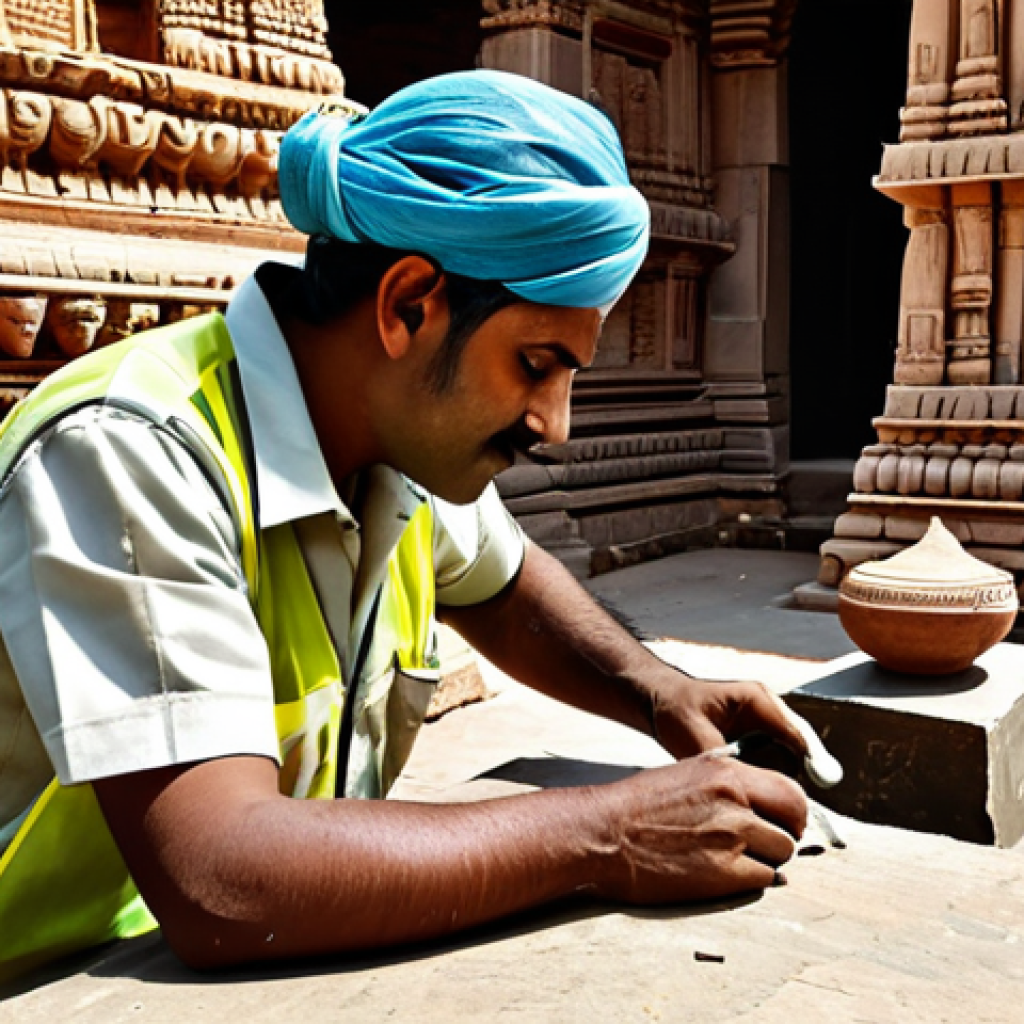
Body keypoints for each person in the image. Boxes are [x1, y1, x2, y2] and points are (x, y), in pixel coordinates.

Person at [0, 70, 822, 980]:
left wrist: (659, 691)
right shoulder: (132, 450)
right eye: (538, 363)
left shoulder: (393, 441)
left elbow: (507, 589)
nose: (556, 425)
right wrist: (612, 832)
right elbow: (225, 879)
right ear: (408, 307)